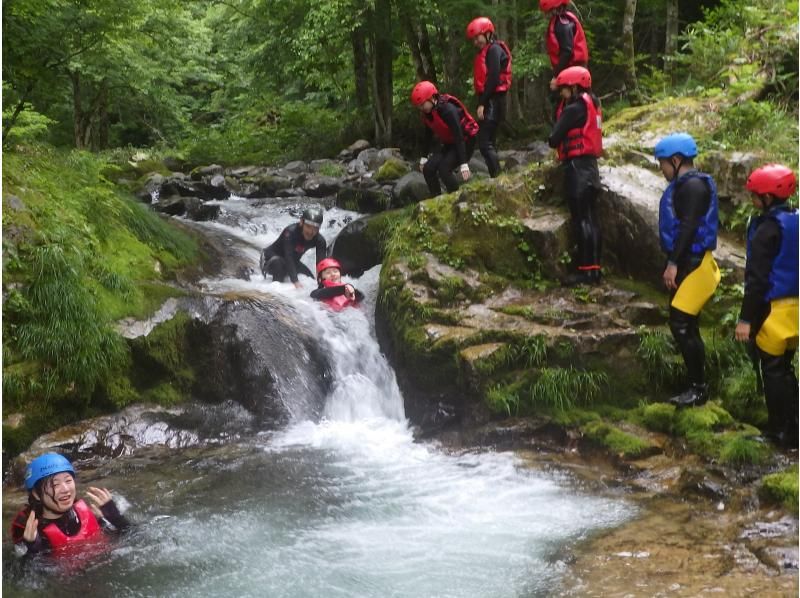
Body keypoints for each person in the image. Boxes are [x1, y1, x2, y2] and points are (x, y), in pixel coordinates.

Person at [654, 132, 721, 407]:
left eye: (663, 164)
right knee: (685, 324)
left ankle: (698, 388)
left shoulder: (693, 187)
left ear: (677, 160)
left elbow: (689, 225)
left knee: (681, 324)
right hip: (688, 263)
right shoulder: (688, 184)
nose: (662, 169)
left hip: (694, 265)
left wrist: (672, 263)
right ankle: (696, 385)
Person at [734, 164, 798, 447]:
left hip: (773, 309)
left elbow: (756, 280)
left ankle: (778, 432)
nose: (752, 200)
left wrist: (746, 320)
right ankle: (794, 428)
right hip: (795, 308)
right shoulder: (795, 220)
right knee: (785, 368)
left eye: (755, 196)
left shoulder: (766, 230)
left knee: (772, 371)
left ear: (768, 198)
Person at [10, 453, 131, 558]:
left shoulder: (87, 513)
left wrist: (116, 518)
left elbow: (132, 539)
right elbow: (29, 576)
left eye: (68, 481)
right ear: (36, 494)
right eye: (55, 484)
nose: (66, 489)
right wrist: (33, 549)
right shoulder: (28, 530)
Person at [547, 66, 603, 286]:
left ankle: (585, 272)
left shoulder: (574, 109)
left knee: (582, 220)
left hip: (577, 170)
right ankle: (594, 270)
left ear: (574, 87)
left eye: (564, 89)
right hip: (591, 167)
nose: (561, 94)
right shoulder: (592, 103)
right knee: (592, 219)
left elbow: (554, 138)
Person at [410, 81, 478, 196]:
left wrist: (463, 164)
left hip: (465, 142)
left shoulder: (448, 110)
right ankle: (436, 199)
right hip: (450, 144)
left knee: (444, 169)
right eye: (419, 106)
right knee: (428, 169)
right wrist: (423, 157)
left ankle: (456, 198)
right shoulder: (427, 113)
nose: (421, 108)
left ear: (432, 98)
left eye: (422, 104)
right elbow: (428, 135)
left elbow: (459, 136)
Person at [465, 16, 512, 178]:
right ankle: (497, 176)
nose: (475, 42)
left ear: (487, 34)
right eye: (473, 39)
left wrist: (482, 104)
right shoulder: (487, 51)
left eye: (477, 38)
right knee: (490, 141)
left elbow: (493, 78)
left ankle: (497, 176)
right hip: (492, 100)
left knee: (484, 143)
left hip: (493, 101)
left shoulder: (494, 50)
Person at [260, 207, 327, 288]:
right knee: (279, 265)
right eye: (308, 226)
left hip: (292, 261)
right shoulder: (290, 232)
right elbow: (289, 257)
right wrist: (295, 282)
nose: (311, 232)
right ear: (301, 222)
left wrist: (322, 284)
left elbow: (321, 264)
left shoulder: (320, 240)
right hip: (270, 259)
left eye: (315, 228)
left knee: (310, 279)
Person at [540, 0, 589, 93]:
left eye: (546, 12)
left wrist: (556, 76)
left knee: (573, 102)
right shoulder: (564, 20)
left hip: (572, 71)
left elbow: (567, 52)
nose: (545, 15)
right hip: (575, 70)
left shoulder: (562, 24)